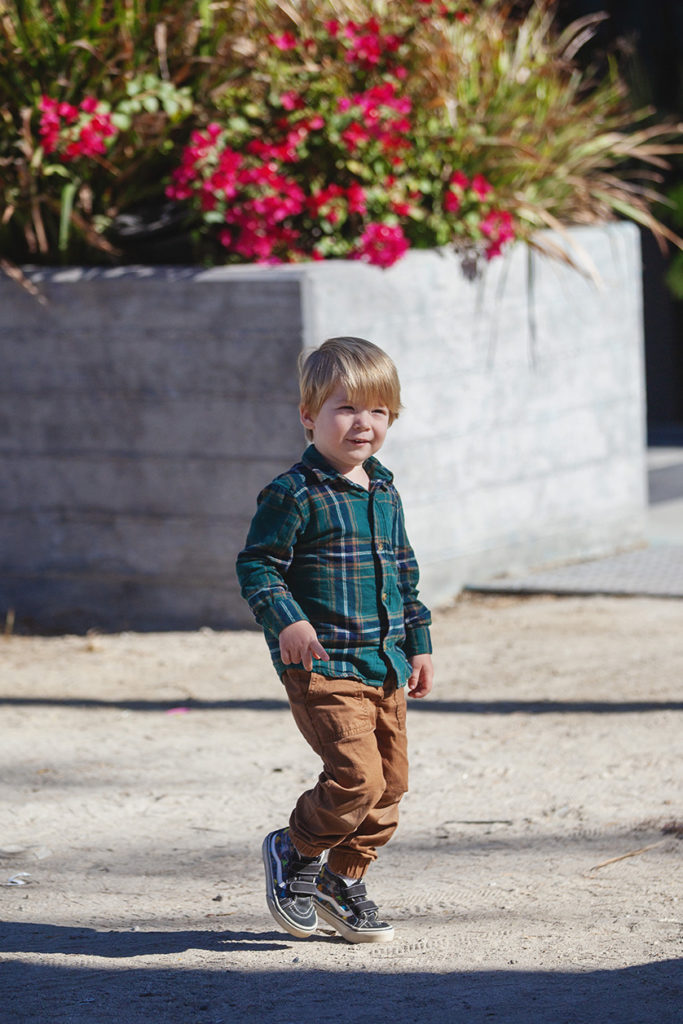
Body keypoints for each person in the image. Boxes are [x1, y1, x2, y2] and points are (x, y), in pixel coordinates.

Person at [236, 336, 434, 944]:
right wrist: (287, 620)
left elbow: (404, 572)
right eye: (346, 409)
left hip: (384, 664)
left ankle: (339, 880)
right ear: (309, 416)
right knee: (356, 778)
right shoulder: (293, 493)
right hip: (323, 666)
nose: (363, 424)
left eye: (378, 411)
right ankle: (294, 850)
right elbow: (258, 566)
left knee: (391, 787)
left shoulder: (384, 491)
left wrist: (419, 641)